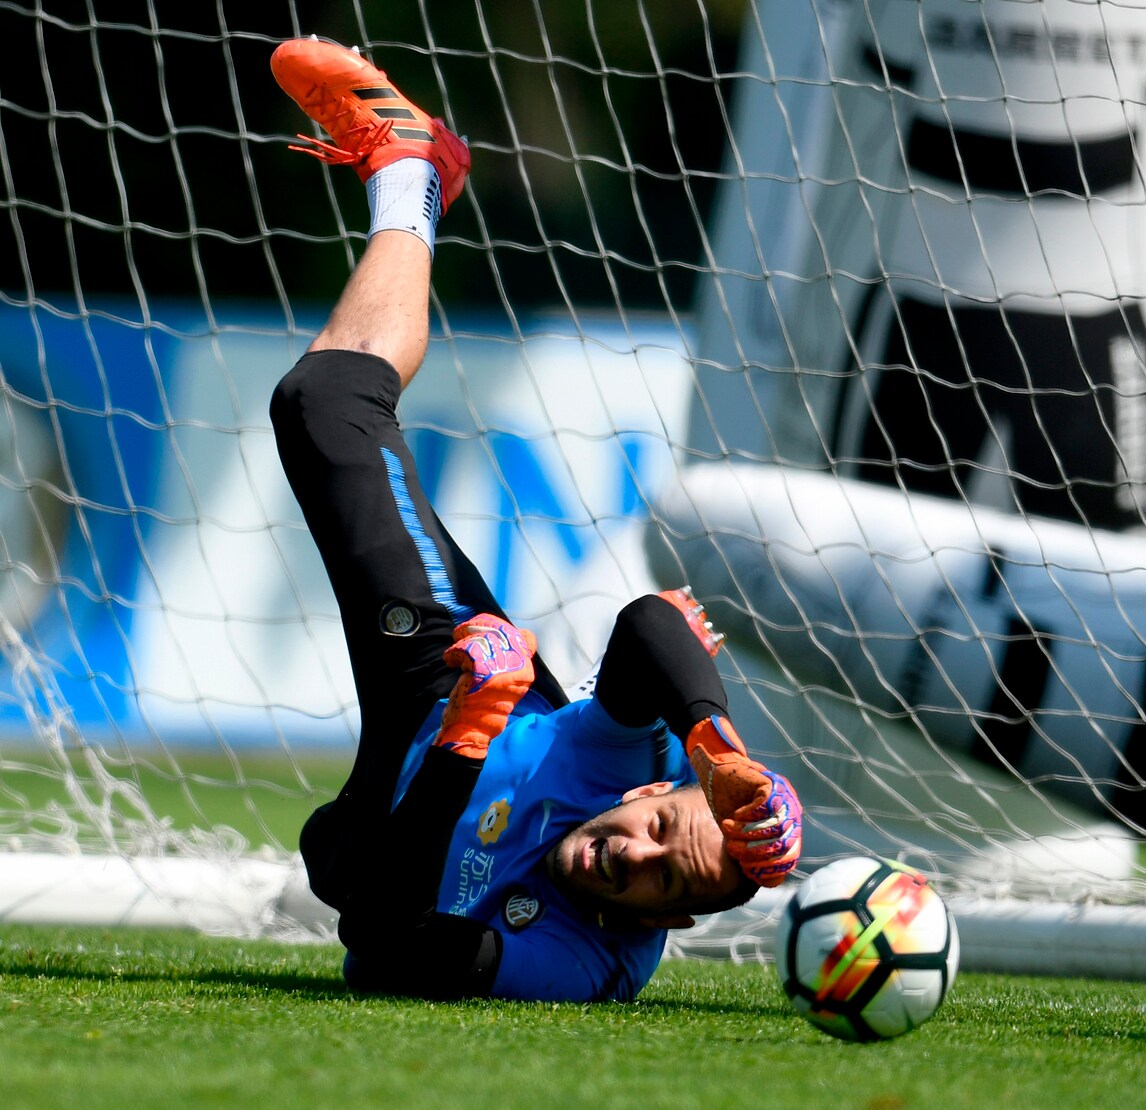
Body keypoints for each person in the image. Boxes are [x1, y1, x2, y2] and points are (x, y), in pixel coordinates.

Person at [268, 36, 803, 1003]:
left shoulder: (585, 964)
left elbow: (386, 953)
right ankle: (411, 172)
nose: (634, 855)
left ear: (672, 925)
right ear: (649, 791)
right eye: (659, 828)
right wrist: (717, 749)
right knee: (323, 408)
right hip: (450, 673)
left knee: (343, 867)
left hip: (433, 767)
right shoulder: (623, 764)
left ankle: (416, 171)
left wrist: (465, 742)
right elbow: (650, 627)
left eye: (665, 882)